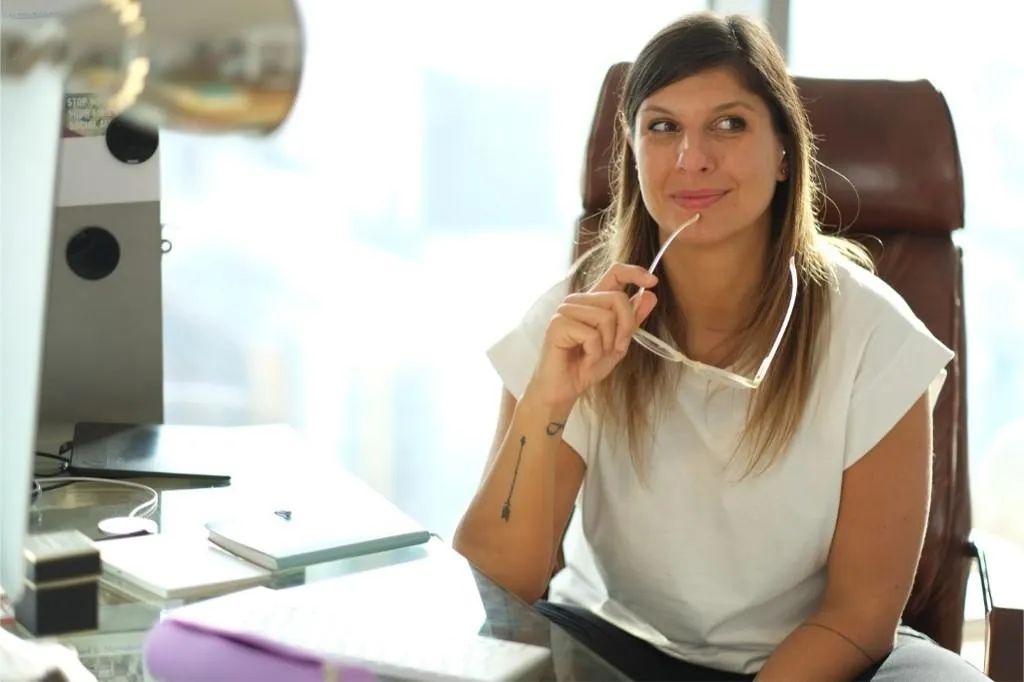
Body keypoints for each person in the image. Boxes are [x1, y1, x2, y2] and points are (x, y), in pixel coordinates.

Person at [451, 10, 991, 682]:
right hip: (609, 642)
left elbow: (859, 613)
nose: (692, 157)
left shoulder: (874, 336)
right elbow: (498, 581)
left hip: (813, 658)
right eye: (662, 126)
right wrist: (547, 399)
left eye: (729, 124)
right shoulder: (577, 320)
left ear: (785, 152)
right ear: (632, 152)